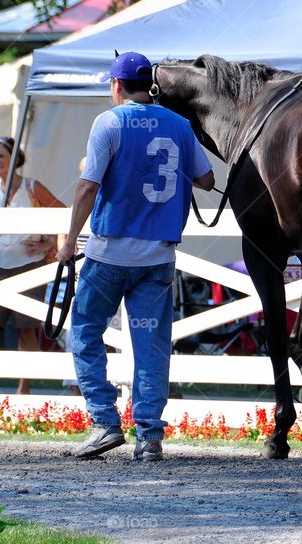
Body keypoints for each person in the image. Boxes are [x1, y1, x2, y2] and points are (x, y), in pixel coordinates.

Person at [57, 51, 214, 462]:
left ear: (116, 85)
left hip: (109, 251)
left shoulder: (107, 123)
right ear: (151, 86)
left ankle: (105, 422)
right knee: (151, 344)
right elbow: (207, 179)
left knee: (85, 332)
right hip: (158, 254)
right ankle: (149, 435)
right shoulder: (179, 125)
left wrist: (68, 239)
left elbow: (88, 187)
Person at [0, 136, 65, 395]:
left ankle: (23, 390)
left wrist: (47, 242)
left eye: (1, 155)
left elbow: (63, 213)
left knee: (26, 331)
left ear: (14, 159)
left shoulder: (32, 187)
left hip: (29, 266)